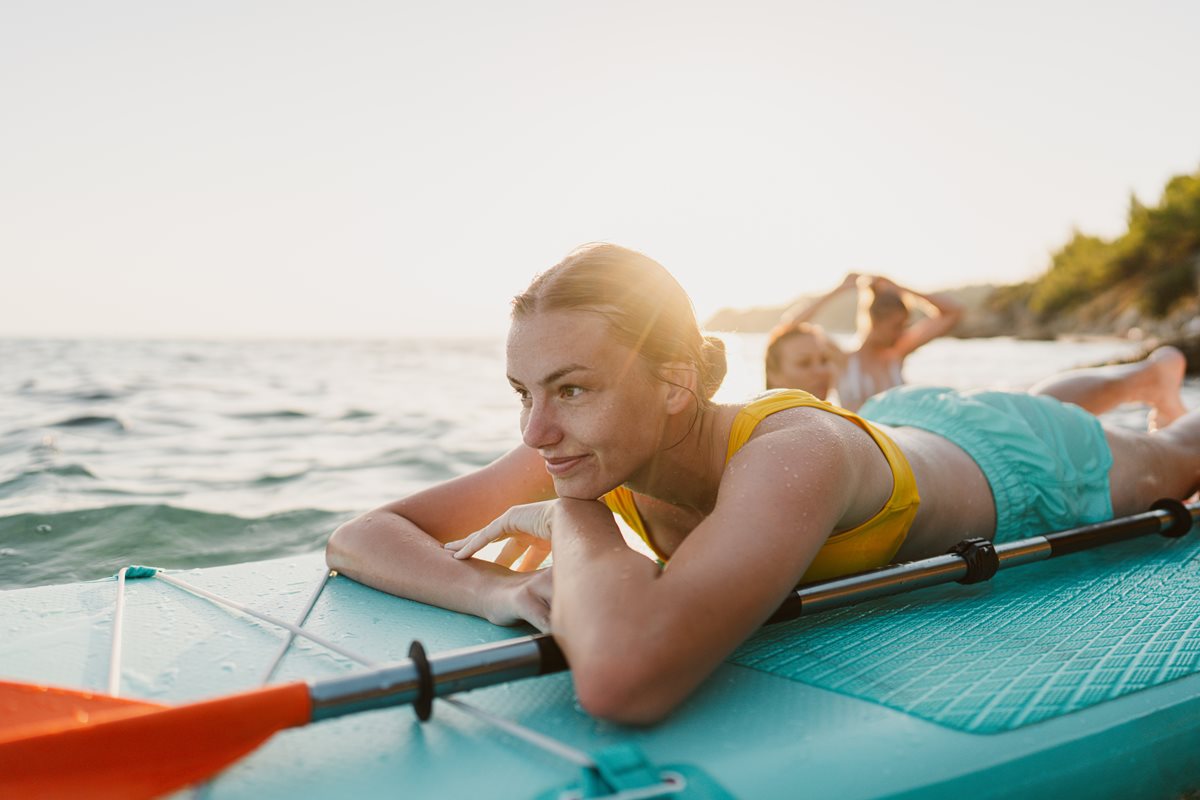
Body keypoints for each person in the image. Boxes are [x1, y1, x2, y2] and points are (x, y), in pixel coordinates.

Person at [326, 243, 1200, 726]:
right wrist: (491, 591)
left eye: (573, 388)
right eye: (525, 393)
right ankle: (1138, 381)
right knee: (1029, 395)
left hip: (1023, 465)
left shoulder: (790, 453)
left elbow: (627, 676)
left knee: (1177, 455)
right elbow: (361, 535)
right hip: (924, 419)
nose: (535, 432)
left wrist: (575, 520)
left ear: (674, 383)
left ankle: (1161, 382)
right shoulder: (593, 442)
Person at [765, 316, 1190, 432]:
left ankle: (1150, 377)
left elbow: (952, 313)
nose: (821, 371)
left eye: (822, 359)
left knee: (1031, 414)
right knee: (1032, 413)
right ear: (773, 373)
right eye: (805, 365)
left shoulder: (830, 400)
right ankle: (1149, 378)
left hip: (924, 428)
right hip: (915, 439)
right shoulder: (779, 420)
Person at [782, 273, 964, 410]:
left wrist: (900, 287)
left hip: (898, 447)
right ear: (874, 322)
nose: (901, 333)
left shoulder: (897, 353)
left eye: (904, 325)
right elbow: (790, 327)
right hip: (860, 448)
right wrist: (839, 289)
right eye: (896, 326)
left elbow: (953, 312)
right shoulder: (842, 359)